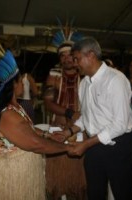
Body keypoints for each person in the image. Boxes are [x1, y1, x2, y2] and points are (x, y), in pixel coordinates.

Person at [0, 43, 72, 200]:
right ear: (13, 85)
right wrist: (67, 148)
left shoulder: (15, 106)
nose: (22, 83)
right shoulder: (7, 114)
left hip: (17, 171)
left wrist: (48, 134)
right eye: (20, 81)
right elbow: (35, 143)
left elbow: (28, 129)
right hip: (11, 176)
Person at [54, 37, 132, 200]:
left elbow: (119, 125)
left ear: (90, 55)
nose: (75, 63)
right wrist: (68, 132)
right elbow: (86, 117)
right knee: (95, 192)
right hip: (94, 146)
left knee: (122, 193)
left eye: (77, 59)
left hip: (118, 145)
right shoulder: (84, 84)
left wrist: (86, 144)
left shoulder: (115, 80)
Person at [43, 34, 86, 199]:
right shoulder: (54, 74)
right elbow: (48, 103)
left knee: (79, 174)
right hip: (59, 124)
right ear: (60, 58)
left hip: (81, 126)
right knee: (57, 172)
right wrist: (68, 113)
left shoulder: (84, 74)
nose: (67, 58)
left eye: (70, 54)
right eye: (63, 55)